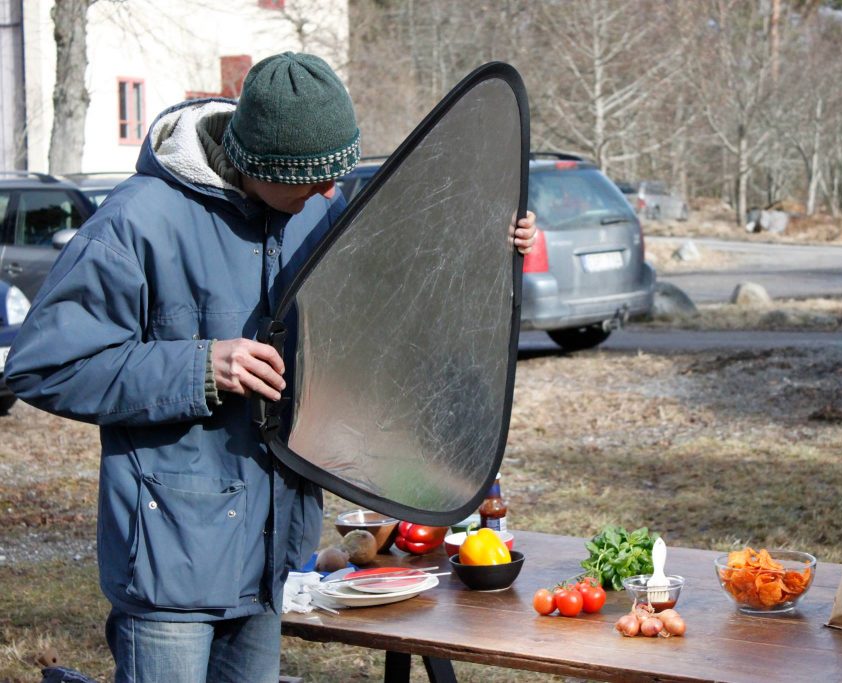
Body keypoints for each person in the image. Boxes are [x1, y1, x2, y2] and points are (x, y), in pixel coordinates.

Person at [5, 52, 536, 683]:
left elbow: (383, 315)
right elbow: (44, 365)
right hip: (171, 558)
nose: (330, 192)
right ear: (260, 165)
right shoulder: (136, 222)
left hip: (269, 554)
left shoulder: (310, 206)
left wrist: (487, 248)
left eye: (335, 176)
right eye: (314, 180)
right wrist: (203, 366)